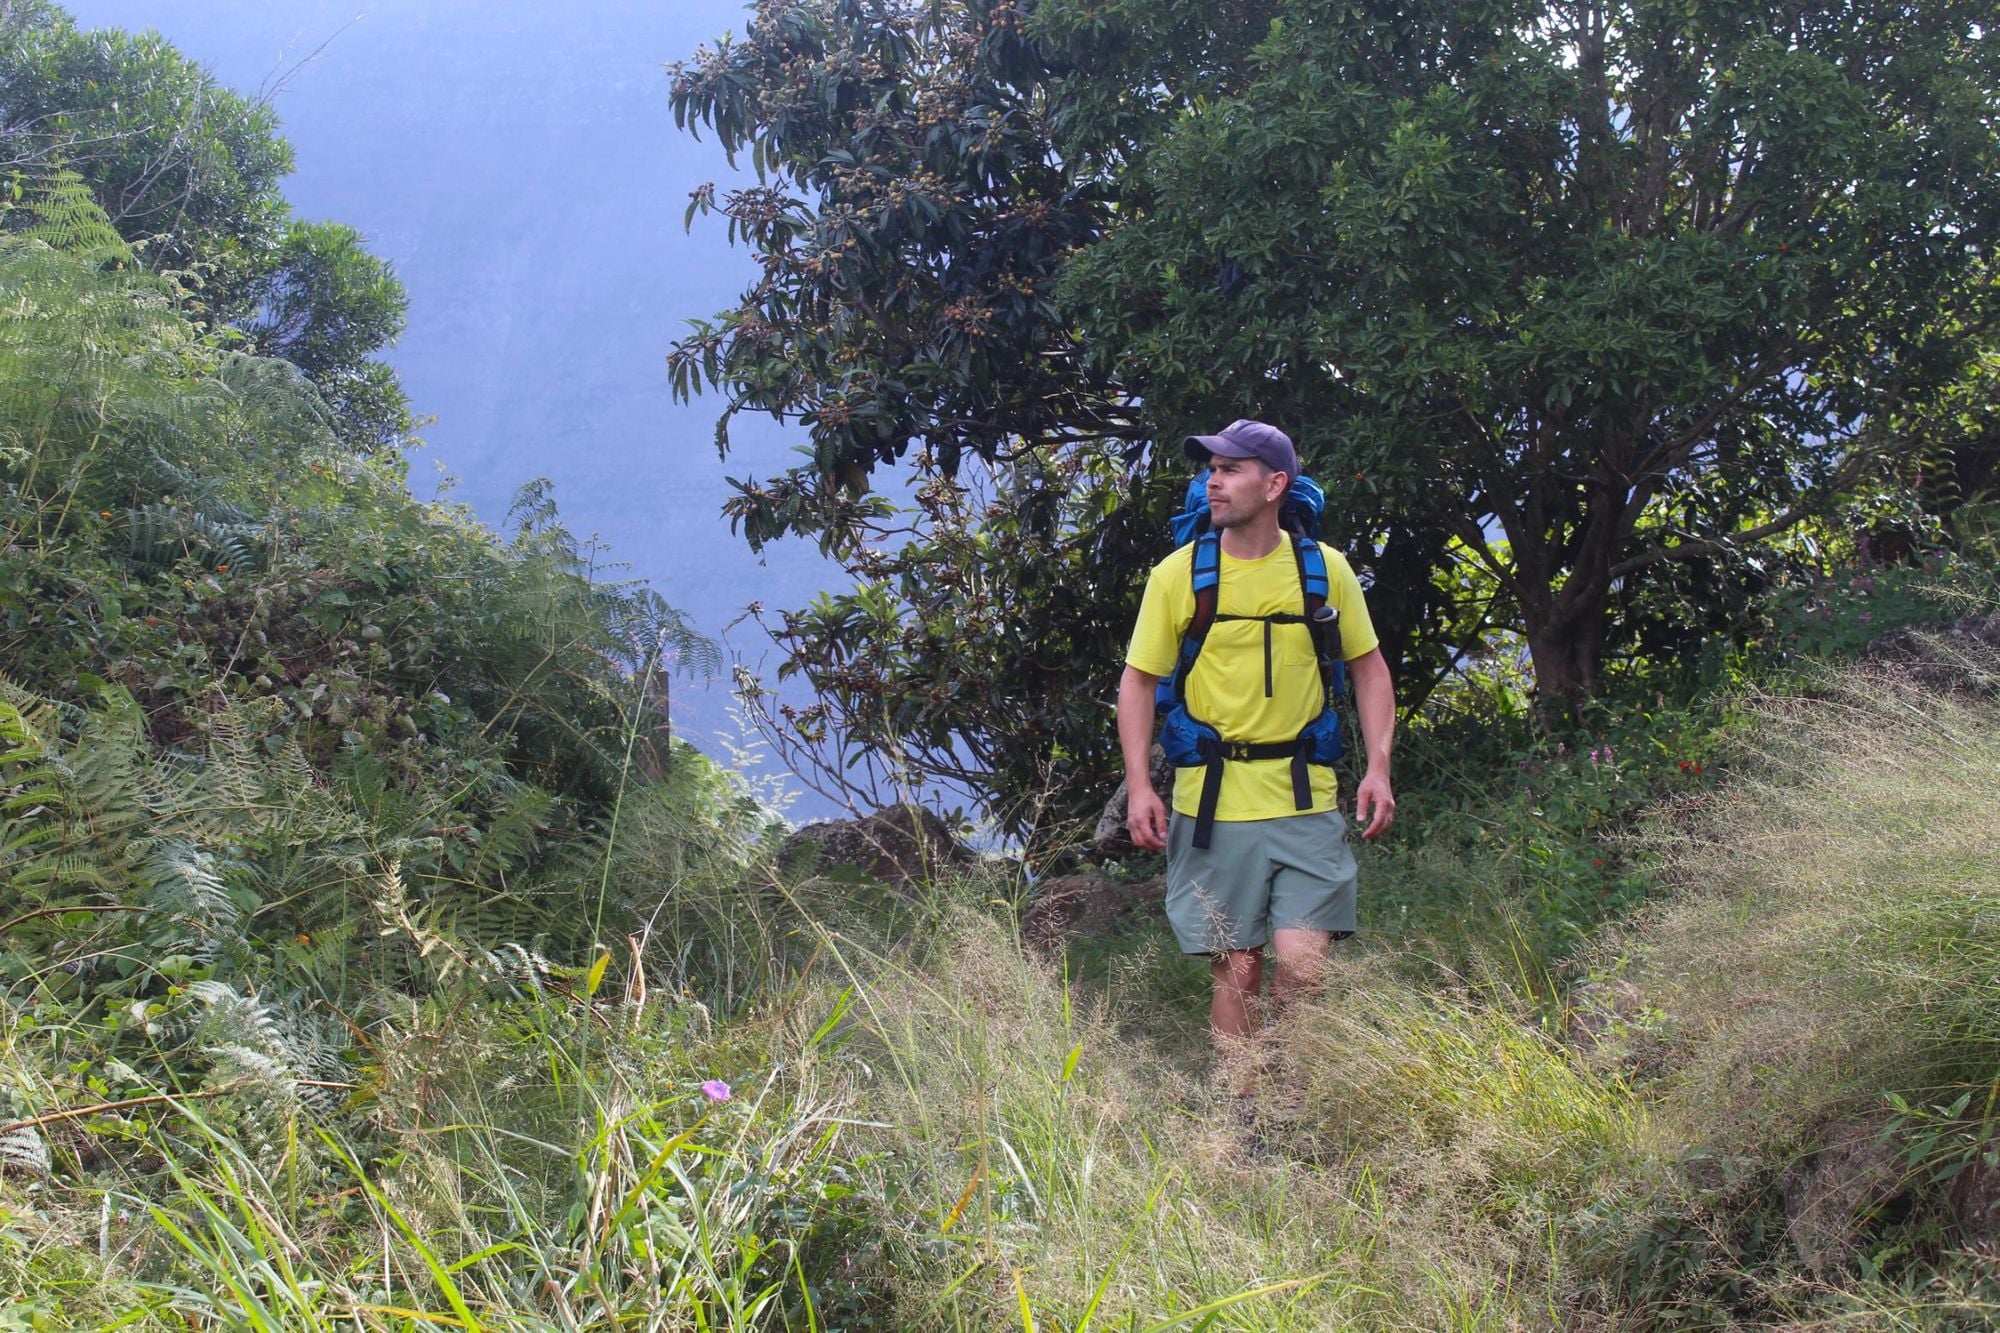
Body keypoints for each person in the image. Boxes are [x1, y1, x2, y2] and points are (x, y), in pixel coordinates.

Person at [1118, 419, 1396, 1086]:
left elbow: (1370, 669)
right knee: (1238, 967)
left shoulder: (1322, 569)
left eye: (1231, 468)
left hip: (1304, 797)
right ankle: (1244, 1108)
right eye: (1211, 468)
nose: (1213, 481)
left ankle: (1287, 1096)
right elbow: (1138, 681)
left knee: (1303, 966)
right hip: (1213, 804)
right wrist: (1140, 786)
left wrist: (1379, 768)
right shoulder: (1179, 575)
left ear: (1275, 485)